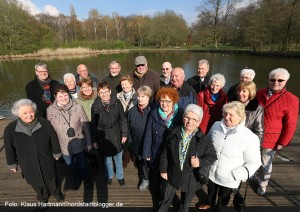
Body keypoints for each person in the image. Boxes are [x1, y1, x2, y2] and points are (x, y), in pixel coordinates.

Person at [198, 101, 261, 211]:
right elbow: (207, 143)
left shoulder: (250, 137)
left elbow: (255, 162)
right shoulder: (216, 125)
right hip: (212, 171)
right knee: (211, 190)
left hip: (230, 177)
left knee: (223, 197)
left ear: (240, 117)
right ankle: (209, 203)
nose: (226, 117)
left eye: (231, 115)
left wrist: (238, 175)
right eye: (225, 113)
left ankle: (219, 209)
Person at [159, 104, 217, 212]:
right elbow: (165, 153)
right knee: (165, 199)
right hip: (172, 173)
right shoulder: (173, 132)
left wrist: (200, 161)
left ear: (199, 122)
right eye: (187, 117)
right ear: (183, 118)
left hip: (191, 177)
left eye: (194, 119)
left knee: (185, 204)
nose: (190, 121)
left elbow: (212, 156)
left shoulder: (204, 139)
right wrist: (163, 170)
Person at [4, 99, 63, 203]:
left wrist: (56, 152)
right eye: (25, 113)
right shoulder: (10, 129)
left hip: (46, 158)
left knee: (52, 178)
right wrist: (12, 164)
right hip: (27, 162)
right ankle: (42, 197)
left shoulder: (44, 122)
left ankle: (55, 192)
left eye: (31, 111)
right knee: (35, 181)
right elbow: (9, 148)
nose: (29, 115)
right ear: (18, 114)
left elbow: (53, 138)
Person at [256, 68, 299, 195]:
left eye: (280, 80)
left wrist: (283, 142)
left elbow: (290, 124)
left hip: (271, 138)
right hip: (255, 134)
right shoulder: (259, 93)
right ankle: (251, 175)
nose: (276, 82)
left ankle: (262, 184)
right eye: (272, 79)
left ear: (286, 81)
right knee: (252, 157)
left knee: (265, 162)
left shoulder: (292, 99)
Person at [143, 87, 183, 211]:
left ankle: (165, 202)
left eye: (167, 101)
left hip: (172, 153)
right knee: (155, 178)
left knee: (168, 179)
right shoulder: (154, 113)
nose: (164, 104)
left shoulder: (181, 114)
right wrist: (146, 153)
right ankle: (158, 198)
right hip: (157, 151)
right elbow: (148, 134)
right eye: (161, 101)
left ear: (174, 101)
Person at [47, 84, 92, 190]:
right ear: (55, 97)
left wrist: (89, 142)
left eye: (65, 95)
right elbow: (50, 131)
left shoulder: (78, 107)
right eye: (60, 96)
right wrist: (53, 148)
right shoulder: (50, 110)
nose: (63, 98)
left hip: (79, 143)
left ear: (69, 95)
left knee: (82, 165)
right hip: (63, 146)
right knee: (70, 166)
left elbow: (86, 126)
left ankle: (87, 180)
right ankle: (76, 179)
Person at [91, 81, 128, 186]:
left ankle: (120, 176)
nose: (104, 94)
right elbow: (93, 125)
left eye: (106, 92)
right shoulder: (95, 106)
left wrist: (124, 134)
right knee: (107, 161)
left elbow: (123, 119)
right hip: (102, 136)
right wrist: (94, 140)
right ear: (98, 93)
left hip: (116, 134)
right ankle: (109, 176)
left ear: (110, 91)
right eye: (101, 92)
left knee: (118, 160)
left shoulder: (117, 103)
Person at [127, 86, 154, 191]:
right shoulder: (132, 111)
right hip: (137, 143)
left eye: (143, 96)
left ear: (148, 97)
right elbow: (127, 127)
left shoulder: (154, 109)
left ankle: (154, 178)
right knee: (142, 163)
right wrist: (130, 141)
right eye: (138, 96)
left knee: (152, 162)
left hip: (151, 143)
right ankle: (145, 179)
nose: (140, 98)